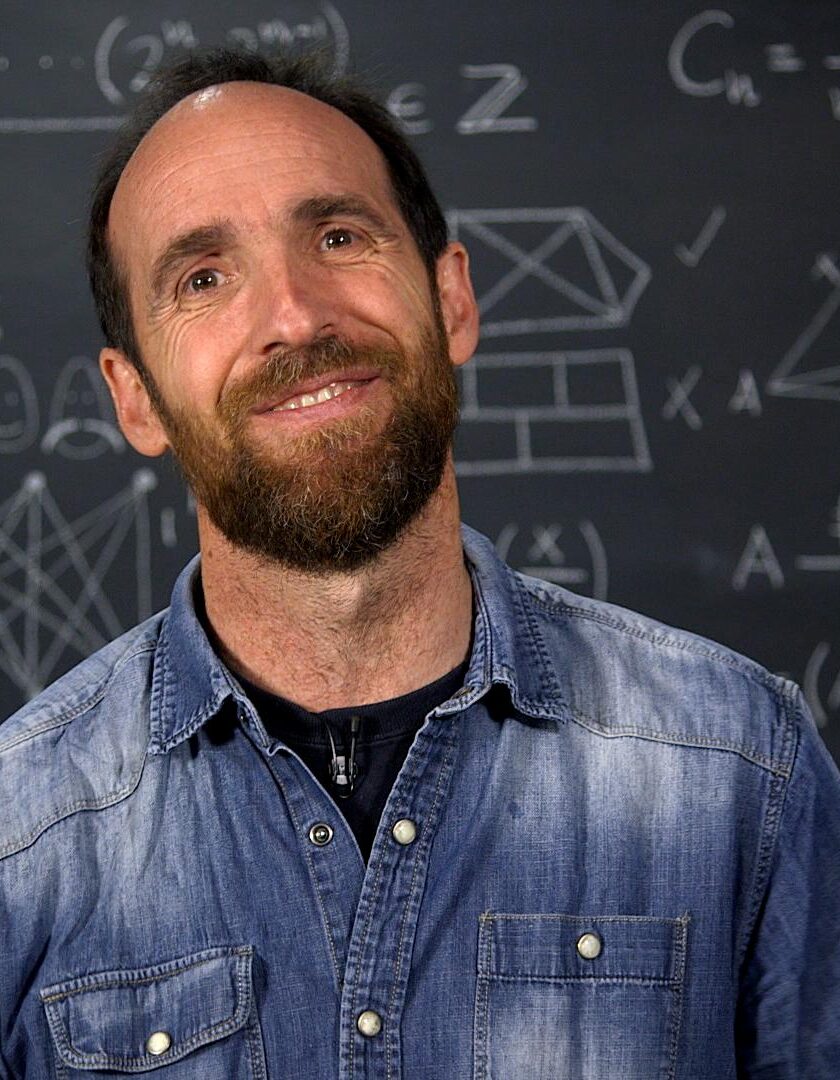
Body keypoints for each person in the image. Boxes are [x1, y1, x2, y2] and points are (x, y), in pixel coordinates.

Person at [1, 46, 838, 1079]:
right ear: (135, 399)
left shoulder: (742, 771)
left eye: (338, 236)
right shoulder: (20, 844)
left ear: (452, 302)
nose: (295, 315)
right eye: (203, 278)